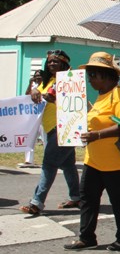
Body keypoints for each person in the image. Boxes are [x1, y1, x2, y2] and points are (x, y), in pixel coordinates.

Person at [63, 52, 120, 251]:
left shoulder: (118, 94)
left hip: (115, 161)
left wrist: (98, 135)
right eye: (90, 76)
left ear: (108, 76)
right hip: (93, 160)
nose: (91, 79)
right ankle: (86, 237)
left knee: (119, 200)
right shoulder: (100, 97)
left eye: (94, 75)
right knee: (87, 198)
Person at [20, 50, 81, 215]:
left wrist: (54, 99)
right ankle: (77, 197)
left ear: (64, 64)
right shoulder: (47, 81)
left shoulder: (71, 80)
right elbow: (29, 98)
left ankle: (37, 202)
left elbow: (76, 103)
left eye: (56, 62)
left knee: (49, 164)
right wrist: (33, 89)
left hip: (65, 128)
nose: (52, 64)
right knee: (68, 165)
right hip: (50, 129)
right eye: (49, 62)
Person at [18, 70, 45, 168]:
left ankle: (48, 161)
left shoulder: (45, 86)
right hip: (33, 118)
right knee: (29, 139)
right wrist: (30, 83)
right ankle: (28, 161)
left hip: (43, 118)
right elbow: (26, 95)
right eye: (36, 76)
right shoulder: (34, 87)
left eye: (39, 76)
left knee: (45, 140)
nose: (37, 77)